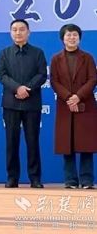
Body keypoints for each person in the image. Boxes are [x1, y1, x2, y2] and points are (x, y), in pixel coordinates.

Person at [0, 18, 47, 189]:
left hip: (32, 103)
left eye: (21, 29)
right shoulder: (4, 53)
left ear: (28, 32)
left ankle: (35, 178)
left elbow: (42, 74)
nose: (18, 32)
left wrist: (27, 89)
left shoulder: (38, 53)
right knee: (11, 142)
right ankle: (12, 178)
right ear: (10, 33)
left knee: (32, 141)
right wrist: (17, 88)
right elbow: (2, 75)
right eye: (14, 29)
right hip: (11, 103)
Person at [50, 24, 97, 189]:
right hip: (65, 105)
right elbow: (54, 81)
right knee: (67, 143)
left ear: (79, 38)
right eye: (68, 35)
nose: (72, 38)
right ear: (63, 38)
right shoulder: (56, 59)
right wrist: (69, 98)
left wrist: (78, 96)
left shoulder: (88, 57)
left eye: (75, 35)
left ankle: (87, 180)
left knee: (86, 144)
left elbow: (93, 79)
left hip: (86, 104)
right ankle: (70, 180)